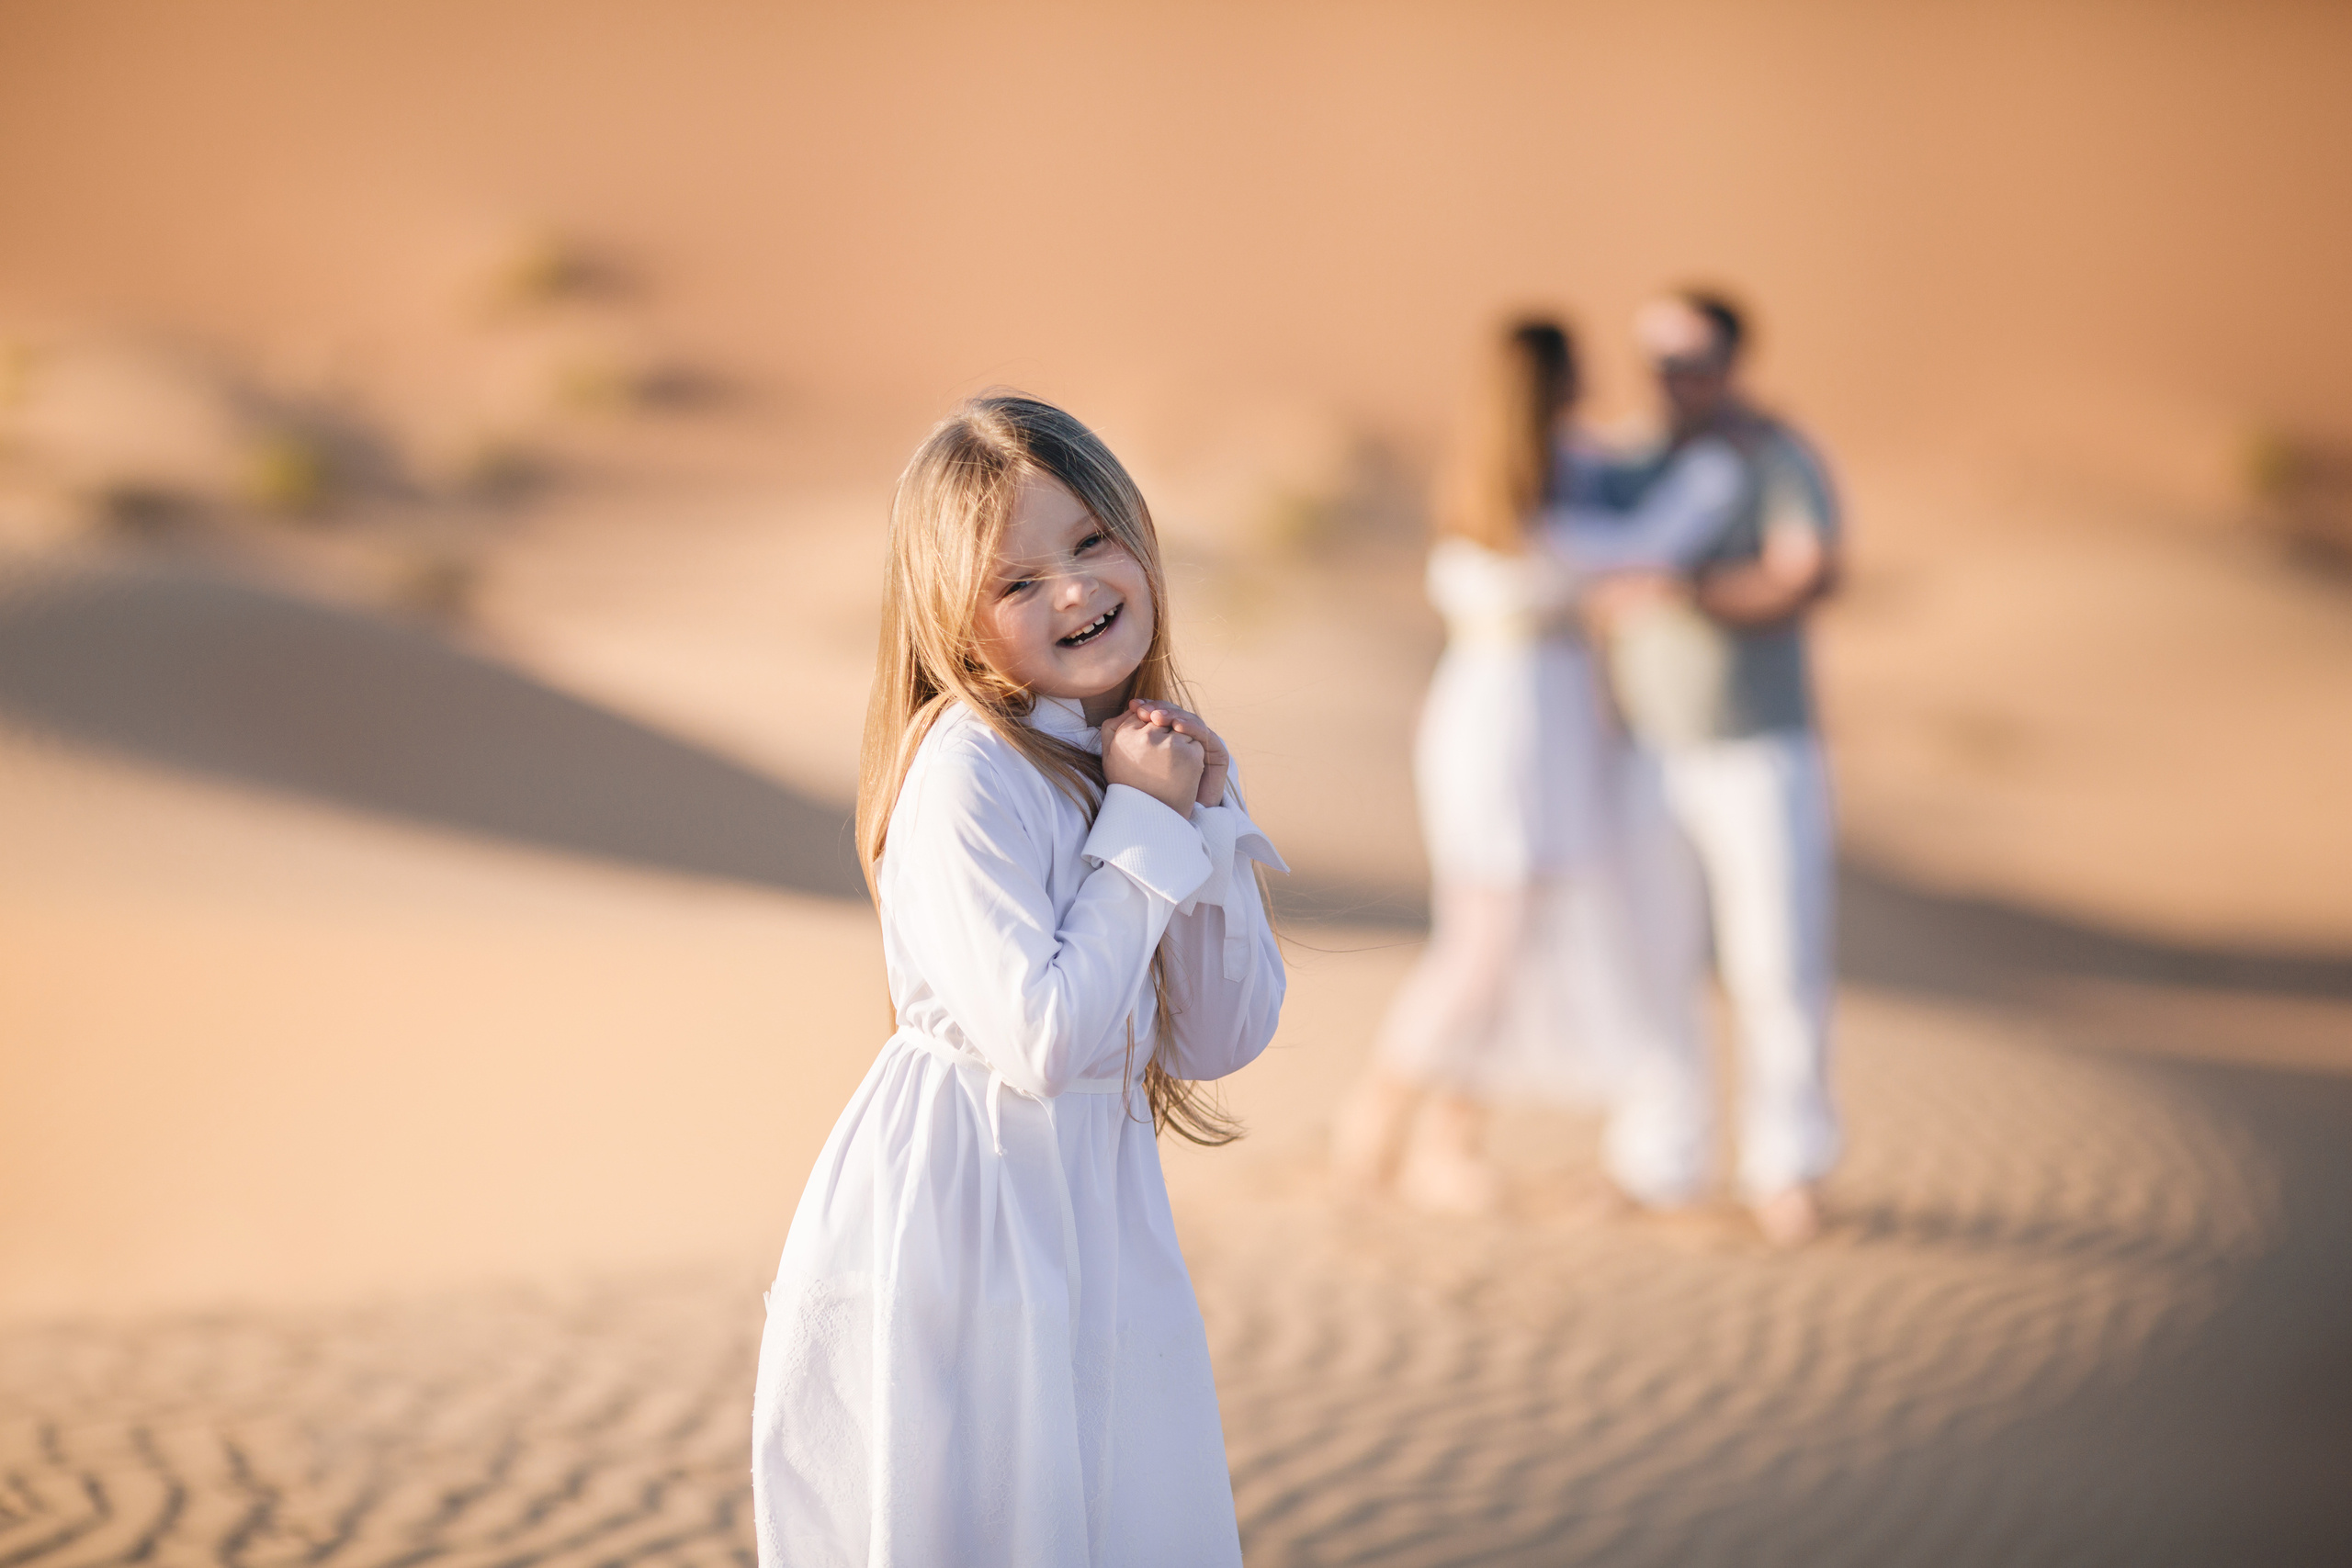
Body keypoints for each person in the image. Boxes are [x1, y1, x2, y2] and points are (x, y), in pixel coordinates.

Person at [751, 394, 1287, 1566]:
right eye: (1016, 581)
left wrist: (1199, 827)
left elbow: (1219, 1034)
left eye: (1092, 542)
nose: (1075, 591)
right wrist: (1145, 827)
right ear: (953, 621)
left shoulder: (1134, 747)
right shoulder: (968, 770)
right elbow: (1037, 1039)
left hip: (1099, 1207)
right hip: (970, 1212)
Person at [1329, 319, 1740, 1213]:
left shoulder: (1540, 469)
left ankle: (1446, 1140)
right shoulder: (1514, 500)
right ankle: (1378, 1124)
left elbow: (1617, 489)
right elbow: (1641, 545)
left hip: (1540, 724)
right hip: (1507, 734)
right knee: (1484, 942)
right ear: (1545, 386)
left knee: (1499, 943)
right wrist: (1715, 479)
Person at [1577, 290, 1844, 1247]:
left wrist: (1684, 588)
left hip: (1760, 746)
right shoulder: (1629, 461)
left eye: (1692, 360)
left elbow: (1805, 573)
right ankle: (1657, 1156)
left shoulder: (1775, 458)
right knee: (1653, 958)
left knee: (1776, 962)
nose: (1672, 379)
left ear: (1732, 361)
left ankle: (1789, 1165)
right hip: (1648, 749)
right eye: (1657, 360)